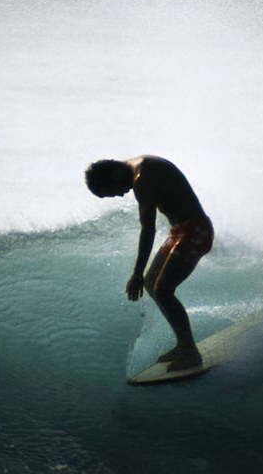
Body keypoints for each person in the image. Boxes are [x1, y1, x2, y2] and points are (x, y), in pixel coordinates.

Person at [85, 155, 213, 371]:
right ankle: (184, 345)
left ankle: (190, 353)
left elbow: (148, 229)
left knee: (162, 289)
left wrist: (136, 272)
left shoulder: (143, 179)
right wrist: (141, 275)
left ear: (115, 174)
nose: (122, 194)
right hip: (181, 232)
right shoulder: (140, 166)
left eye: (115, 191)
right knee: (152, 282)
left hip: (195, 232)